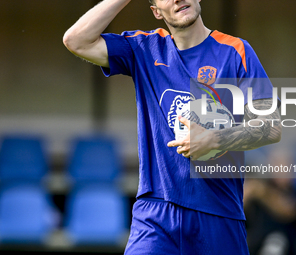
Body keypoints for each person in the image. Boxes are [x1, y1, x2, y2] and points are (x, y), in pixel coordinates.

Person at [63, 0, 282, 254]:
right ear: (156, 11)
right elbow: (76, 40)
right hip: (156, 214)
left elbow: (272, 125)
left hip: (219, 213)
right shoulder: (144, 48)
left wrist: (214, 139)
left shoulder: (236, 51)